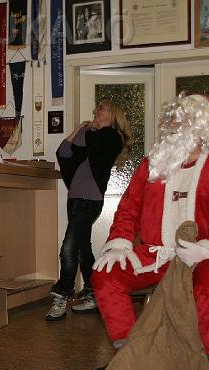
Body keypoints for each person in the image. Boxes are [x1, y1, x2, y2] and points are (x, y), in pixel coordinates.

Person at [91, 93, 209, 370]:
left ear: (201, 127)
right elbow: (128, 209)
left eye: (182, 119)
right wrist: (120, 244)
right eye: (172, 119)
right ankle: (129, 354)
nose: (173, 125)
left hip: (200, 256)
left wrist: (208, 248)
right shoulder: (152, 166)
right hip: (154, 254)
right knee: (105, 275)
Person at [46, 100, 132, 321]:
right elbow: (64, 151)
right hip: (74, 199)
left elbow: (91, 142)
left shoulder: (112, 137)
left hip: (90, 201)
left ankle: (63, 293)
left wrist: (87, 129)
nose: (95, 111)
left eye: (101, 109)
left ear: (112, 115)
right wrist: (79, 127)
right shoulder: (91, 135)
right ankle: (94, 294)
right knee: (82, 250)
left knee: (68, 249)